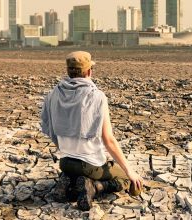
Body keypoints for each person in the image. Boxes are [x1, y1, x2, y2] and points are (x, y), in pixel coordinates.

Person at [41, 51, 143, 211]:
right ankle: (95, 187)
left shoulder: (53, 94)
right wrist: (129, 171)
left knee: (78, 173)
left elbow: (51, 128)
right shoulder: (96, 97)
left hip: (65, 162)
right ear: (89, 71)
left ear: (68, 71)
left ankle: (68, 181)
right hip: (89, 164)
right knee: (124, 178)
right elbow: (108, 139)